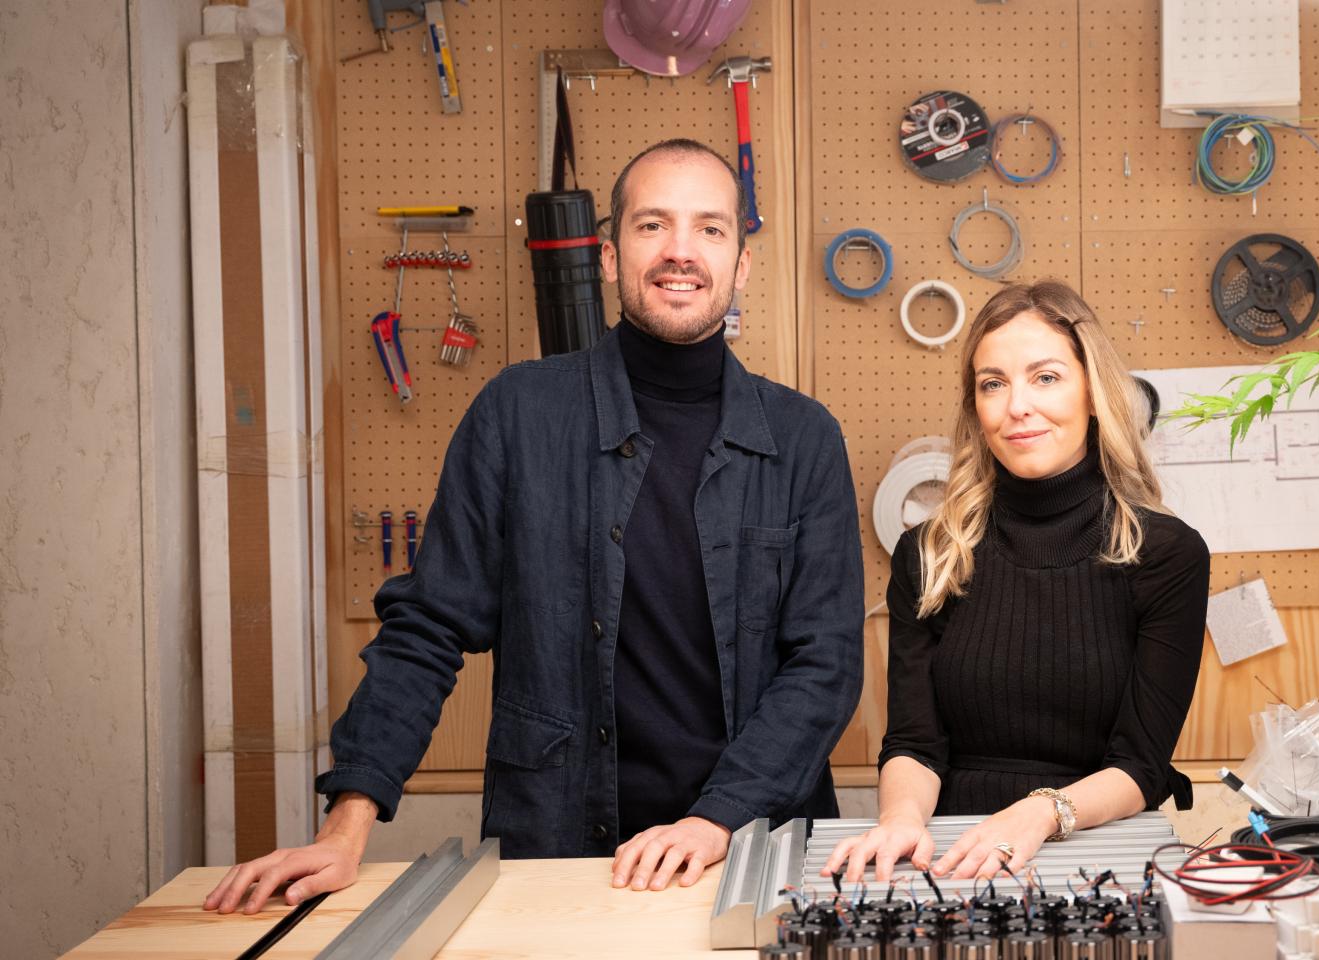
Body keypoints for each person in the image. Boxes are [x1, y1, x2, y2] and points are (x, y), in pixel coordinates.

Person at [204, 139, 864, 915]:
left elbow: (824, 666)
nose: (680, 252)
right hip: (561, 848)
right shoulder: (517, 413)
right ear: (610, 256)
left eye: (710, 229)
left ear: (741, 264)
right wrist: (344, 828)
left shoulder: (804, 436)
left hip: (758, 850)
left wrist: (713, 819)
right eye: (653, 225)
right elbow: (428, 626)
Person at [823, 280, 1209, 884]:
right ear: (976, 407)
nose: (1017, 406)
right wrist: (900, 818)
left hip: (1097, 851)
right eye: (993, 384)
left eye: (1046, 377)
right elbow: (915, 743)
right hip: (954, 853)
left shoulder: (1166, 554)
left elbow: (1140, 766)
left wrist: (1039, 813)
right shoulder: (928, 553)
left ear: (1092, 392)